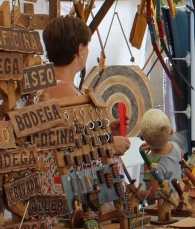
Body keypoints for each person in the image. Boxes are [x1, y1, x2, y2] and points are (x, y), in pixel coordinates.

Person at [41, 15, 130, 155]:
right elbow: (64, 149)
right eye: (87, 46)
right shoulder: (62, 92)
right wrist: (109, 145)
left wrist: (106, 133)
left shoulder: (59, 86)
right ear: (80, 49)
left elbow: (77, 137)